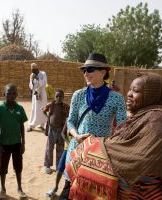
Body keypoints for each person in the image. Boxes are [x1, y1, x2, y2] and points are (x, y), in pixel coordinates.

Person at [67, 72, 162, 199]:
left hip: (143, 195)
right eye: (130, 89)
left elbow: (139, 159)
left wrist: (93, 146)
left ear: (152, 95)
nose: (129, 94)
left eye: (136, 91)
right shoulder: (142, 117)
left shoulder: (160, 122)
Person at [60, 53, 127, 199]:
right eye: (84, 70)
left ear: (103, 72)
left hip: (100, 156)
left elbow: (123, 127)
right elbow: (70, 121)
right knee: (69, 190)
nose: (85, 73)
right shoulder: (78, 95)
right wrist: (76, 136)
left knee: (93, 194)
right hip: (77, 151)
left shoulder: (116, 98)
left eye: (90, 69)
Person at [0, 84, 28, 199]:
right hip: (4, 143)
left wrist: (23, 143)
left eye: (14, 93)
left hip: (17, 143)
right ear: (4, 94)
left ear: (17, 95)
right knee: (3, 167)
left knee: (18, 166)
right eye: (8, 93)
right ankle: (3, 189)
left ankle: (19, 188)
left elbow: (22, 127)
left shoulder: (20, 109)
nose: (11, 95)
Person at [42, 89, 70, 174]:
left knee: (60, 149)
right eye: (57, 96)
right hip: (52, 130)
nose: (58, 98)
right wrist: (48, 118)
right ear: (54, 97)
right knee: (49, 148)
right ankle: (47, 166)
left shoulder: (65, 106)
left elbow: (69, 115)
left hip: (61, 131)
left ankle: (59, 166)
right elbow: (43, 110)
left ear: (63, 97)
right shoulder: (51, 105)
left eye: (60, 96)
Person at [27, 63, 48, 132]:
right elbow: (30, 85)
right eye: (31, 70)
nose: (32, 72)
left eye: (34, 70)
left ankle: (41, 125)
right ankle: (32, 126)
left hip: (42, 94)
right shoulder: (31, 75)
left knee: (42, 109)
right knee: (35, 109)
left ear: (37, 69)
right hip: (35, 94)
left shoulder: (43, 73)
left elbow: (45, 83)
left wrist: (38, 79)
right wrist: (32, 83)